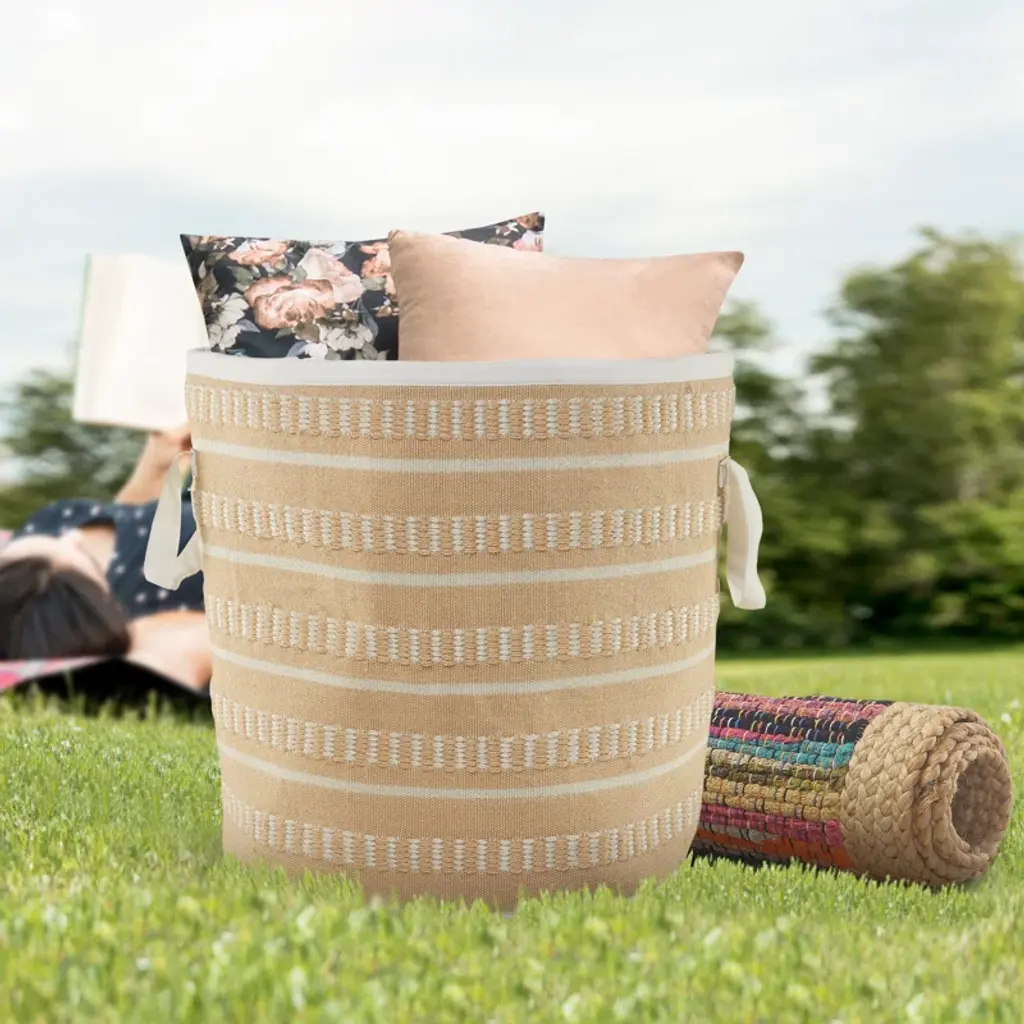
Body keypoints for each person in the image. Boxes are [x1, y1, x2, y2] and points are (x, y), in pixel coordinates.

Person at [0, 427, 211, 692]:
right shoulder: (152, 615)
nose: (74, 535)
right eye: (86, 556)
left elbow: (130, 519)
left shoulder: (43, 538)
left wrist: (157, 466)